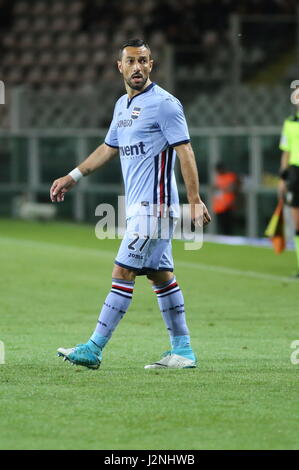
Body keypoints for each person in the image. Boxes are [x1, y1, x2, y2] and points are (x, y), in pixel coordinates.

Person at [50, 38, 211, 370]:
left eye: (143, 61)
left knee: (122, 270)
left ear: (151, 65)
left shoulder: (165, 104)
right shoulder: (122, 106)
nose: (137, 67)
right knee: (160, 275)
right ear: (119, 66)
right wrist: (73, 176)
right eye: (131, 61)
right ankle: (183, 351)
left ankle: (94, 348)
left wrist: (194, 200)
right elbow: (109, 148)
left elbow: (185, 151)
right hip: (139, 207)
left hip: (157, 206)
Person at [278, 105, 299, 277]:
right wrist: (283, 179)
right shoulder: (290, 123)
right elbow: (286, 151)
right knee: (297, 223)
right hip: (295, 173)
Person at [212, 162, 240, 235]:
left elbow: (235, 188)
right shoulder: (217, 178)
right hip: (219, 206)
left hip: (228, 206)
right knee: (222, 226)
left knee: (229, 227)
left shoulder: (230, 176)